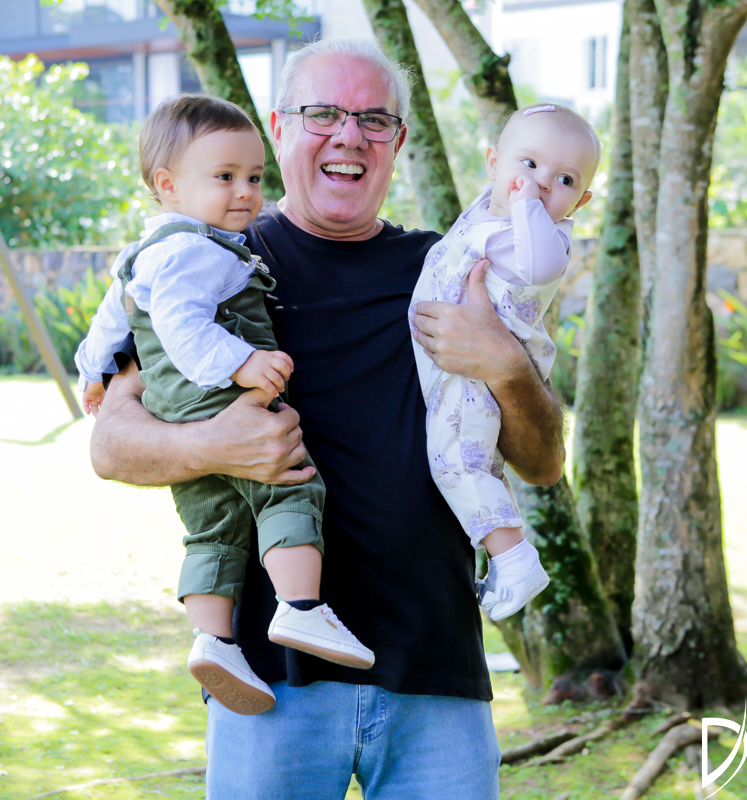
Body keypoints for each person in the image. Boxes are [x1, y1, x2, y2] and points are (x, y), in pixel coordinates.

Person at [89, 38, 565, 800]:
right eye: (323, 114)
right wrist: (212, 443)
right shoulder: (212, 260)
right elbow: (111, 444)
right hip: (270, 681)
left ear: (398, 144)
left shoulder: (451, 271)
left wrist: (505, 364)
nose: (348, 136)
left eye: (374, 120)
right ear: (280, 128)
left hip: (435, 673)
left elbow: (543, 462)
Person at [74, 95, 374, 718]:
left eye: (254, 177)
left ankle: (215, 642)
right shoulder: (199, 250)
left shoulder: (141, 253)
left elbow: (110, 322)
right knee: (288, 488)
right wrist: (240, 364)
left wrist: (95, 374)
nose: (245, 192)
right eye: (225, 177)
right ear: (168, 185)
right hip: (218, 397)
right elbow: (183, 325)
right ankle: (300, 607)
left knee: (213, 527)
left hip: (173, 412)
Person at [410, 103, 600, 622]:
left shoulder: (545, 241)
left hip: (475, 369)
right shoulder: (486, 214)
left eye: (564, 180)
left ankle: (514, 559)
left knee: (457, 458)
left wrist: (525, 205)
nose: (540, 184)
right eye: (528, 164)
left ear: (580, 201)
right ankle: (504, 556)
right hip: (451, 367)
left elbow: (537, 264)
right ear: (493, 162)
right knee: (468, 453)